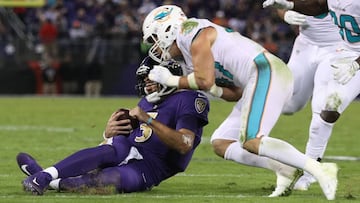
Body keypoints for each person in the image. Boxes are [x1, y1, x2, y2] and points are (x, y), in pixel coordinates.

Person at [143, 5, 338, 200]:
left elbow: (204, 80)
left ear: (167, 30)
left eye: (154, 38)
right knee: (221, 142)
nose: (155, 46)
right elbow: (234, 92)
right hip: (256, 79)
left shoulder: (191, 32)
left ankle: (319, 169)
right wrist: (207, 89)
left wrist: (172, 81)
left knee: (251, 140)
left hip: (265, 71)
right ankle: (284, 169)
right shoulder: (188, 56)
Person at [18, 57, 210, 195]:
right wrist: (107, 133)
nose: (147, 86)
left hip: (151, 167)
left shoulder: (189, 98)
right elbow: (125, 136)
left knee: (110, 181)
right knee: (113, 150)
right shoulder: (146, 101)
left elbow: (184, 144)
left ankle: (47, 179)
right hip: (126, 148)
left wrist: (147, 119)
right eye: (145, 81)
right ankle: (44, 176)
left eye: (151, 80)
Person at [263, 0, 360, 191]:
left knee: (328, 110)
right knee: (301, 106)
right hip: (340, 53)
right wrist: (287, 8)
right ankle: (308, 174)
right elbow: (318, 6)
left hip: (348, 55)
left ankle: (308, 175)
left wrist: (356, 64)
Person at [276, 9, 343, 190]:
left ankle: (309, 173)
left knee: (321, 111)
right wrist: (285, 14)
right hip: (305, 45)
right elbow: (279, 4)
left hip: (337, 48)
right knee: (286, 104)